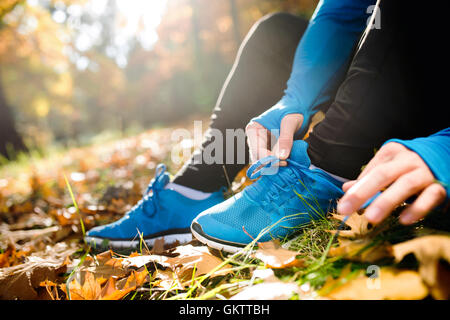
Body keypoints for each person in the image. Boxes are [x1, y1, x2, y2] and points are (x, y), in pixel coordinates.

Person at [85, 0, 449, 253]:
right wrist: (297, 100)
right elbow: (343, 13)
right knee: (278, 33)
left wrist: (442, 151)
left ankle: (327, 168)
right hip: (388, 73)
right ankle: (191, 191)